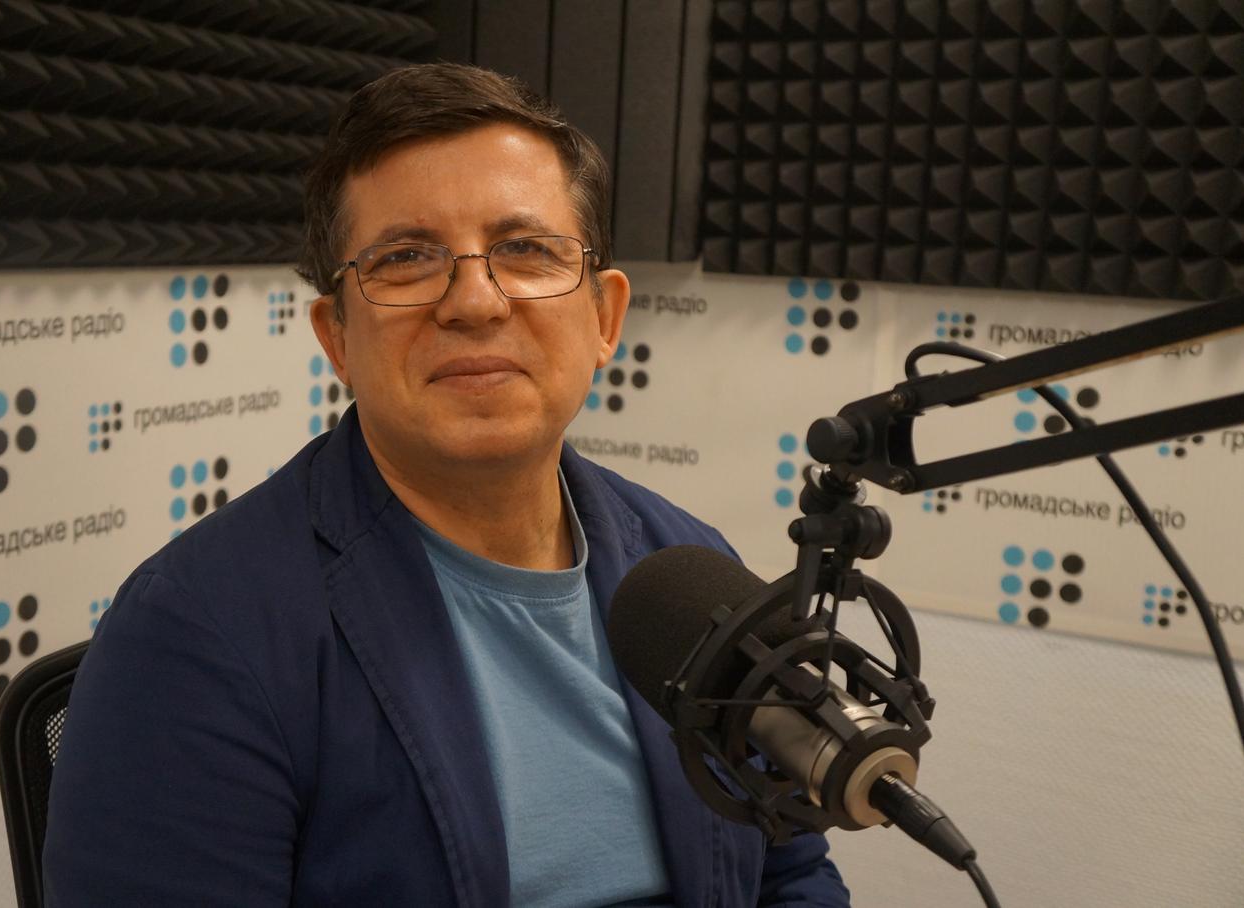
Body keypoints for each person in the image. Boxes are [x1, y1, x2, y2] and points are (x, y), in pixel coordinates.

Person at [43, 63, 850, 906]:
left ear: (605, 318)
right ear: (337, 337)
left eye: (526, 250)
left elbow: (789, 871)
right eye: (406, 258)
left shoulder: (690, 570)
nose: (474, 302)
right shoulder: (196, 634)